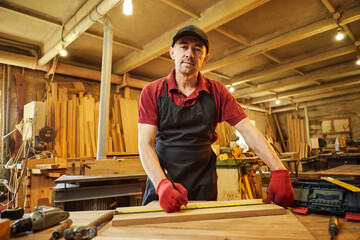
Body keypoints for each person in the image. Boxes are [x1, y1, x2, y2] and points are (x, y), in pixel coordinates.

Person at [138, 25, 294, 213]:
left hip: (202, 180)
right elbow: (145, 143)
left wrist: (279, 170)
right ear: (172, 52)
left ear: (205, 58)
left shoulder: (217, 92)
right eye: (183, 47)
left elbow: (247, 129)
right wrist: (161, 184)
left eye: (197, 49)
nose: (190, 54)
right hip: (162, 178)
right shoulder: (152, 91)